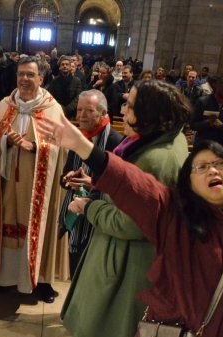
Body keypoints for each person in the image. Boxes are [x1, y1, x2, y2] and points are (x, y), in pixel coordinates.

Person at [37, 112, 223, 337]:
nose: (212, 170)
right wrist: (85, 149)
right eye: (201, 167)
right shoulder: (178, 219)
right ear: (189, 184)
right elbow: (136, 186)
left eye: (221, 164)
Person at [60, 80, 190, 337]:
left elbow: (130, 222)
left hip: (127, 263)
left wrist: (90, 207)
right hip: (126, 255)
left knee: (109, 327)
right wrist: (98, 183)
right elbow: (132, 189)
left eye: (130, 106)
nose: (123, 111)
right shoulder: (163, 139)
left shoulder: (156, 158)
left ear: (148, 113)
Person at [0, 56, 65, 303]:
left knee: (37, 227)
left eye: (30, 74)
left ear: (41, 78)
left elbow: (61, 147)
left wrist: (36, 146)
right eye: (21, 74)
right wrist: (5, 141)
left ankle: (40, 281)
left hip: (37, 185)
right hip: (6, 183)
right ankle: (4, 280)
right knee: (5, 226)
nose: (25, 79)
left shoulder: (52, 108)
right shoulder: (6, 106)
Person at [58, 89, 122, 276]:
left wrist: (91, 183)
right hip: (76, 215)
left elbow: (119, 184)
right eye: (79, 110)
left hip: (101, 219)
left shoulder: (115, 142)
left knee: (93, 274)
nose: (81, 116)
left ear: (103, 112)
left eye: (88, 110)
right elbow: (64, 177)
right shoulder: (79, 136)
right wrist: (68, 178)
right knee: (76, 270)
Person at [46, 55, 82, 120]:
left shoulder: (77, 81)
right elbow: (51, 96)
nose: (64, 66)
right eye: (62, 64)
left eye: (67, 64)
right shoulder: (54, 81)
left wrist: (67, 109)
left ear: (70, 67)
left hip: (72, 114)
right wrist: (59, 108)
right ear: (60, 67)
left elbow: (78, 97)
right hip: (57, 111)